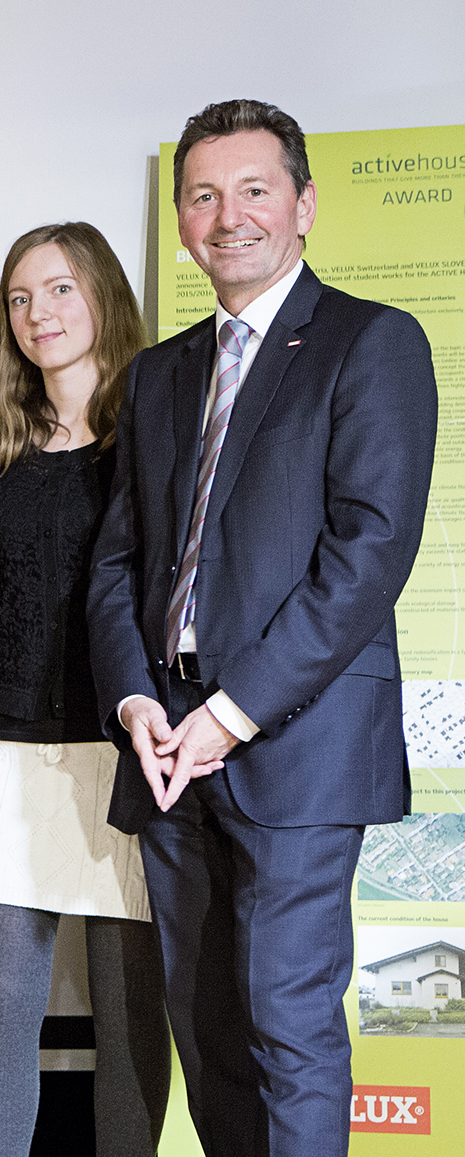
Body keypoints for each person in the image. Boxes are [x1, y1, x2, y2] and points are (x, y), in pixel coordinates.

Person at [88, 100, 437, 1157]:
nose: (226, 214)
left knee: (287, 1022)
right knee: (206, 1033)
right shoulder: (158, 373)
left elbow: (369, 553)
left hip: (297, 741)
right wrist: (137, 700)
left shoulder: (370, 341)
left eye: (253, 189)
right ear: (182, 221)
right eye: (202, 195)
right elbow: (117, 562)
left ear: (304, 205)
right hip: (167, 744)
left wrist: (234, 711)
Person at [0, 222, 169, 1157]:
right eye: (20, 298)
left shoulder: (159, 440)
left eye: (60, 289)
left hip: (130, 749)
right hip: (9, 751)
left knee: (128, 1005)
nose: (38, 313)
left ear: (103, 293)